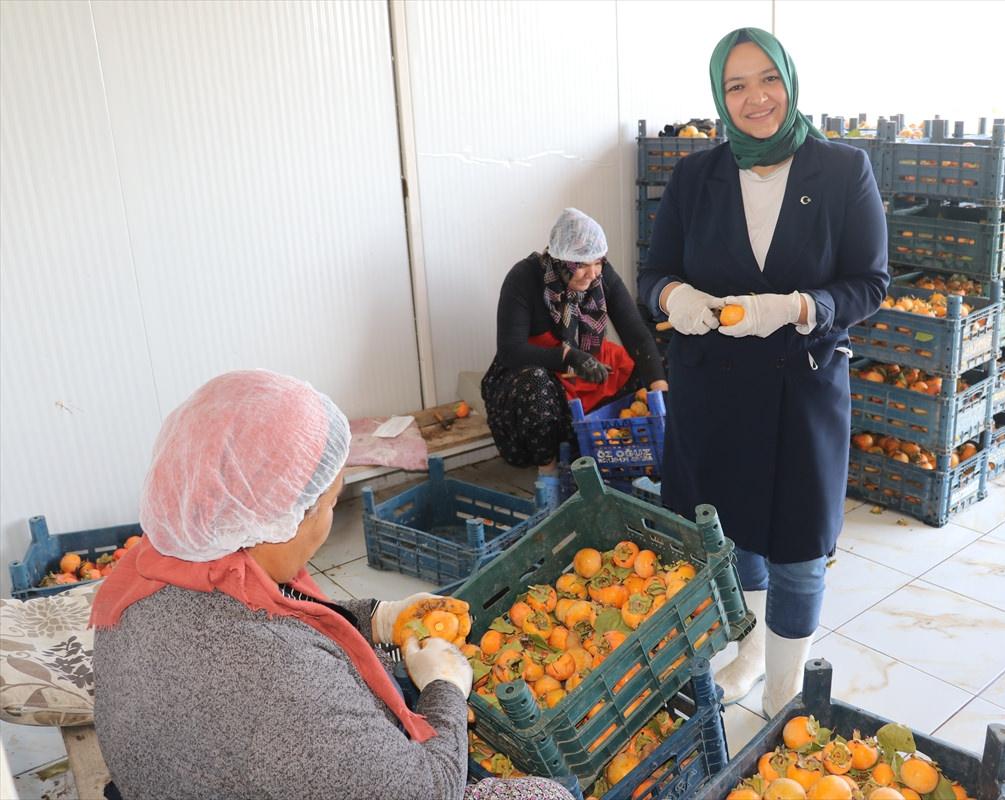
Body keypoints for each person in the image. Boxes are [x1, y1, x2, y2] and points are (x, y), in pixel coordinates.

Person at [90, 370, 572, 800]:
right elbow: (427, 789)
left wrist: (376, 617)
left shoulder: (155, 569)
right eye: (331, 504)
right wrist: (444, 689)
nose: (329, 524)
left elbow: (284, 612)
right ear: (280, 521)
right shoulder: (280, 680)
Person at [637, 28, 888, 717]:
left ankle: (785, 688)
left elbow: (870, 282)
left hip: (800, 389)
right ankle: (749, 652)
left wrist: (800, 307)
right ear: (720, 96)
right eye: (736, 85)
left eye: (767, 79)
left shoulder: (841, 170)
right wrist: (674, 298)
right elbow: (653, 273)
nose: (756, 98)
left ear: (789, 80)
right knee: (729, 532)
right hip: (711, 392)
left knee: (799, 546)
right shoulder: (696, 177)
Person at [482, 208, 668, 479]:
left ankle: (614, 450)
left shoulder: (601, 276)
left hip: (587, 370)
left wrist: (659, 392)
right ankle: (548, 475)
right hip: (540, 378)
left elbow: (637, 335)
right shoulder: (524, 278)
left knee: (657, 366)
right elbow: (511, 351)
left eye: (598, 262)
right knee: (534, 382)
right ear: (560, 261)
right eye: (580, 265)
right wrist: (568, 357)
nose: (592, 273)